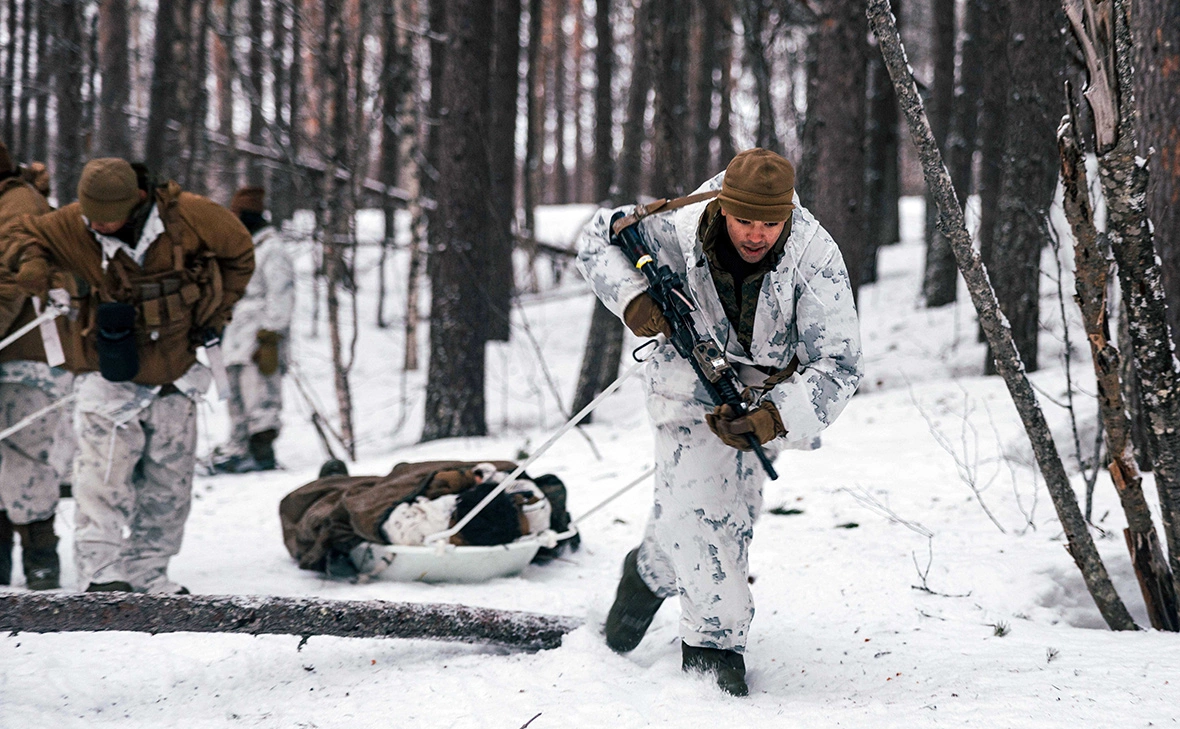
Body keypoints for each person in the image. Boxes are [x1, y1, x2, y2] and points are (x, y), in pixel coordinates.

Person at [575, 148, 863, 695]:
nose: (757, 235)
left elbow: (840, 364)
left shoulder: (816, 255)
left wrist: (773, 419)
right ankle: (712, 659)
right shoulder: (678, 225)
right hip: (685, 388)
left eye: (770, 223)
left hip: (756, 405)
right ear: (723, 206)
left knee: (725, 514)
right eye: (744, 220)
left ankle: (650, 572)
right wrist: (635, 300)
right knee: (710, 522)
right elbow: (596, 237)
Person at [0, 157, 254, 593]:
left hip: (176, 367)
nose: (96, 225)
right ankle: (101, 577)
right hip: (107, 371)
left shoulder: (192, 216)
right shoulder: (75, 222)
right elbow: (22, 231)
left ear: (137, 200)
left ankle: (150, 575)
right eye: (89, 216)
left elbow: (240, 254)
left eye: (106, 218)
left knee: (169, 484)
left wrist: (217, 311)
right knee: (101, 480)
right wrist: (32, 261)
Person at [0, 140, 78, 590]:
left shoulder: (16, 206)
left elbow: (11, 282)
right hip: (11, 349)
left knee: (26, 457)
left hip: (26, 353)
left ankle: (40, 558)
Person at [209, 186, 294, 474]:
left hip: (258, 337)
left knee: (260, 397)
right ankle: (238, 449)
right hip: (234, 335)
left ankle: (261, 454)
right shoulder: (239, 248)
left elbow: (281, 294)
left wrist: (270, 334)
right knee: (235, 397)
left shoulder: (272, 249)